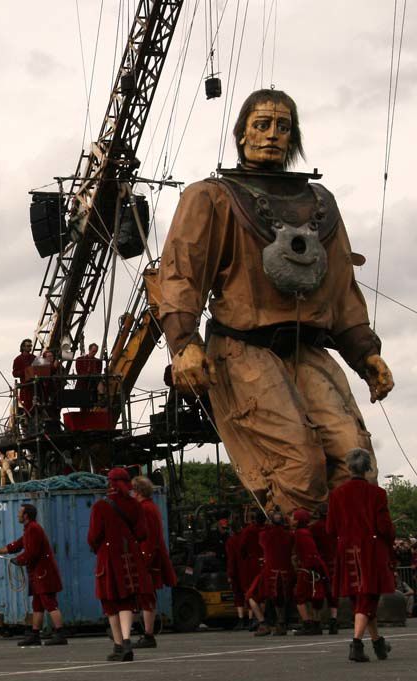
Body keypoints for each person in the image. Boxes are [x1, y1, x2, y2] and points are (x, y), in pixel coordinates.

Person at [158, 89, 393, 513]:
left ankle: (343, 565)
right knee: (298, 468)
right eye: (261, 125)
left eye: (282, 127)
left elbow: (341, 291)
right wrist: (184, 344)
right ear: (242, 134)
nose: (271, 135)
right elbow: (180, 272)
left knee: (355, 459)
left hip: (307, 347)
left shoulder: (322, 204)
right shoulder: (211, 197)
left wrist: (366, 355)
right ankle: (298, 563)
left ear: (293, 137)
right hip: (243, 349)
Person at [327, 449, 395, 662]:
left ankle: (378, 643)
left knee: (362, 601)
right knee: (368, 598)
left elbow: (330, 528)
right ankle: (356, 645)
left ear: (348, 467)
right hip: (370, 551)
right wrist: (390, 538)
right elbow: (384, 527)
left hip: (346, 550)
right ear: (367, 468)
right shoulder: (377, 493)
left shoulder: (337, 494)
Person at [87, 468, 150, 661]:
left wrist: (98, 548)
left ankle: (118, 645)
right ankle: (127, 640)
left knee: (109, 601)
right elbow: (142, 534)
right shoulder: (134, 505)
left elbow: (93, 537)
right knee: (127, 601)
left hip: (107, 558)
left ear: (110, 483)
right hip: (130, 557)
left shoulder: (101, 506)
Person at [0, 503, 66, 648]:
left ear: (26, 515)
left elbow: (32, 552)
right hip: (38, 573)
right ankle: (35, 634)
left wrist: (18, 560)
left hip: (44, 573)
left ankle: (60, 633)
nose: (18, 514)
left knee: (49, 603)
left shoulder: (33, 529)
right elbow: (16, 546)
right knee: (37, 605)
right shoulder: (29, 529)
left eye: (20, 512)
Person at [132, 476, 176, 648]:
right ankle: (144, 631)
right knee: (145, 596)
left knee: (146, 596)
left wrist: (144, 559)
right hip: (151, 556)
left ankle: (148, 633)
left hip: (147, 558)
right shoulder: (151, 507)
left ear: (138, 492)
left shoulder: (145, 509)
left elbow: (148, 538)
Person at [255, 511, 295, 636]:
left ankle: (263, 623)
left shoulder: (264, 535)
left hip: (270, 570)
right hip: (286, 570)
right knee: (281, 598)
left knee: (254, 596)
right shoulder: (289, 535)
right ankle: (281, 622)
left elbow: (262, 545)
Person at [291, 509, 328, 635]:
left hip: (307, 569)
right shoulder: (307, 532)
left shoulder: (299, 533)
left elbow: (308, 552)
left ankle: (307, 624)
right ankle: (316, 624)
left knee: (300, 597)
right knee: (315, 596)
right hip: (315, 568)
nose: (292, 520)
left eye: (294, 518)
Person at [309, 504, 339, 634]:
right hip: (334, 562)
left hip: (321, 563)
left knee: (318, 592)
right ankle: (333, 620)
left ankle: (317, 622)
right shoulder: (334, 526)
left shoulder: (314, 528)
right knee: (333, 593)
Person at [238, 510, 266, 630]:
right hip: (266, 561)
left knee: (251, 593)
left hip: (252, 563)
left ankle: (258, 618)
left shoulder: (249, 531)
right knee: (263, 592)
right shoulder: (267, 530)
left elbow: (242, 547)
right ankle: (262, 616)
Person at [12, 339, 36, 415]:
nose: (30, 347)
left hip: (35, 387)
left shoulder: (34, 358)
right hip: (25, 388)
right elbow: (14, 373)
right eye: (28, 346)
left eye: (31, 346)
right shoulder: (18, 359)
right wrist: (25, 372)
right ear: (23, 347)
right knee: (27, 408)